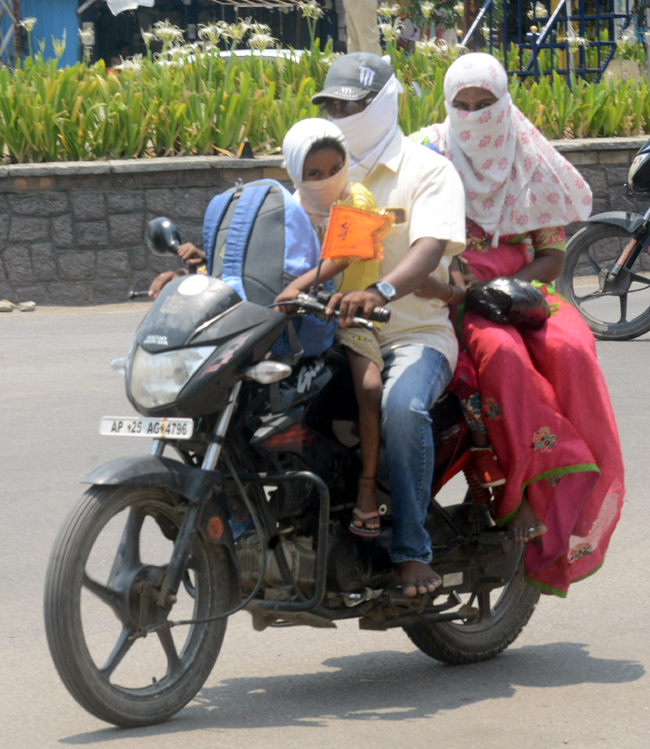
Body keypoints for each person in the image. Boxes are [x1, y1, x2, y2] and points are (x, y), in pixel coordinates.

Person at [416, 52, 625, 597]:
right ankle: (525, 494)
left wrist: (509, 289)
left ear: (503, 103)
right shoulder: (428, 153)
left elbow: (553, 256)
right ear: (446, 106)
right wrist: (473, 289)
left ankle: (576, 486)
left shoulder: (530, 159)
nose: (473, 115)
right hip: (458, 293)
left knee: (576, 349)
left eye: (484, 104)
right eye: (461, 105)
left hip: (522, 290)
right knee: (503, 358)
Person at [313, 52, 467, 596]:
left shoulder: (429, 171)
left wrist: (379, 290)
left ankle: (411, 550)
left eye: (351, 103)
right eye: (331, 104)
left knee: (400, 407)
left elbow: (428, 250)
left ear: (384, 103)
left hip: (413, 334)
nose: (340, 112)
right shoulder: (324, 166)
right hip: (333, 333)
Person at [274, 118, 387, 537]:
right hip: (300, 320)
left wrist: (297, 285)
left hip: (351, 319)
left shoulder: (357, 196)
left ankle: (367, 488)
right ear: (294, 172)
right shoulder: (288, 206)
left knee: (370, 387)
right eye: (313, 173)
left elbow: (346, 253)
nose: (325, 180)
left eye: (333, 169)